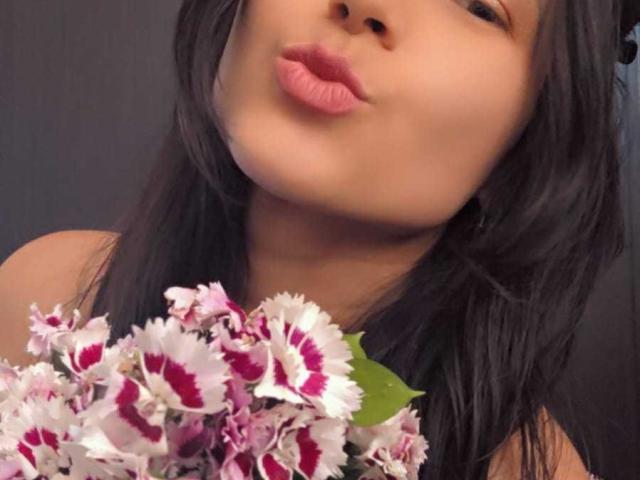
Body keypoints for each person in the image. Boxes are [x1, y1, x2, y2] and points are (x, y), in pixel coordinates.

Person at [1, 0, 638, 478]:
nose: (365, 6)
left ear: (534, 144)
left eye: (476, 5)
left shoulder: (525, 470)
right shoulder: (47, 305)